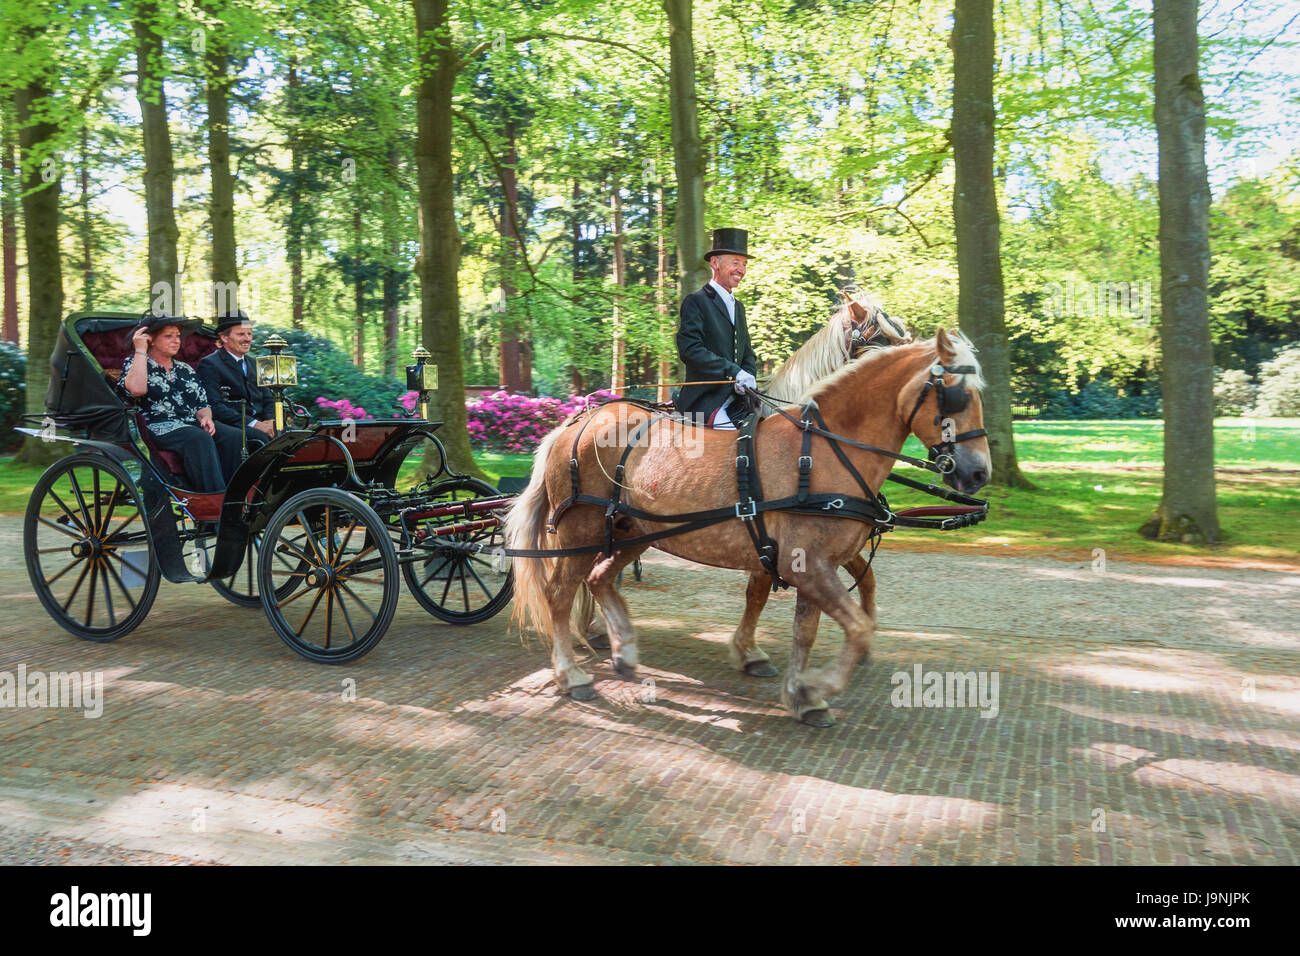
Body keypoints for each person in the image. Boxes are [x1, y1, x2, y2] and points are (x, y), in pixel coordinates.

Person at [119, 315, 243, 492]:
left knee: (234, 436)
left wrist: (206, 417)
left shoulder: (184, 369)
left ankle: (234, 498)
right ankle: (213, 504)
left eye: (178, 336)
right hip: (157, 426)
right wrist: (140, 349)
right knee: (198, 438)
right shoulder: (136, 362)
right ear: (151, 340)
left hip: (190, 423)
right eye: (168, 336)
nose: (176, 341)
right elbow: (136, 390)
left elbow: (202, 403)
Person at [674, 227, 758, 430]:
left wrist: (748, 377)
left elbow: (746, 352)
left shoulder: (739, 307)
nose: (741, 270)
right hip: (706, 400)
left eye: (744, 264)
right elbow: (690, 350)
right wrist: (734, 372)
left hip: (738, 400)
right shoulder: (696, 301)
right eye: (735, 262)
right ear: (715, 263)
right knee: (731, 442)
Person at [196, 309, 277, 457]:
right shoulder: (210, 364)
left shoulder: (255, 363)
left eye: (249, 334)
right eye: (241, 334)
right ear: (224, 337)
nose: (247, 339)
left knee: (294, 436)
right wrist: (254, 424)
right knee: (263, 439)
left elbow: (268, 398)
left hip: (262, 422)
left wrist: (270, 421)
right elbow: (216, 406)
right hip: (235, 425)